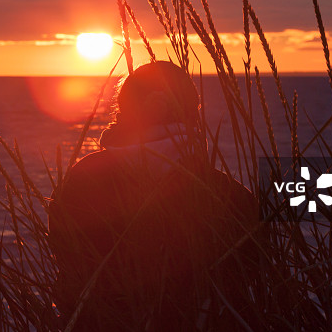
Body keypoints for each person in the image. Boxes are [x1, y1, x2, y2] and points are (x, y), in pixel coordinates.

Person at [48, 61, 262, 331]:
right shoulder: (231, 197)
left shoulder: (84, 178)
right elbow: (250, 275)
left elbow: (67, 262)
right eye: (194, 108)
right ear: (159, 105)